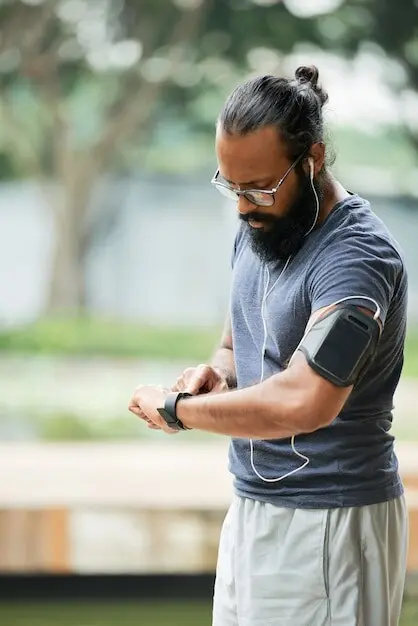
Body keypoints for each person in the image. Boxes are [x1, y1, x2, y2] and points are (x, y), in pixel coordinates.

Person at [128, 65, 409, 625]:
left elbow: (306, 400)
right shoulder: (263, 224)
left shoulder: (356, 261)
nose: (242, 206)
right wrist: (218, 375)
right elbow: (237, 343)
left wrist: (178, 410)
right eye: (231, 186)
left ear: (313, 160)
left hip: (330, 523)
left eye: (257, 187)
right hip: (253, 504)